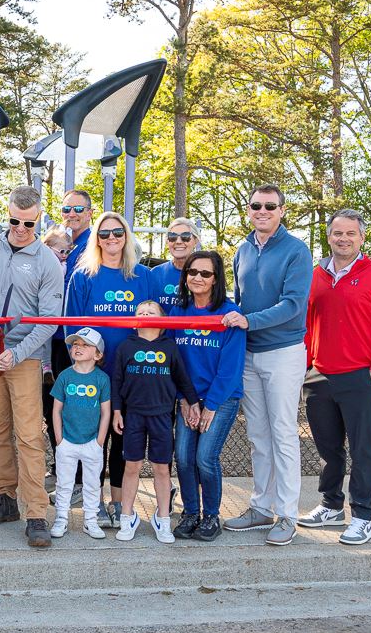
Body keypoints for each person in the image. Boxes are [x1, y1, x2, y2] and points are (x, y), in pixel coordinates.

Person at [0, 185, 64, 548]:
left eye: (28, 222)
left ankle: (37, 512)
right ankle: (5, 499)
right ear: (5, 215)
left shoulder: (47, 260)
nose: (20, 228)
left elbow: (50, 320)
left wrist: (18, 354)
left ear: (39, 219)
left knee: (29, 436)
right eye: (13, 220)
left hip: (24, 358)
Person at [297, 209, 371, 546]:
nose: (343, 239)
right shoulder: (315, 274)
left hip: (360, 376)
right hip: (319, 376)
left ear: (362, 238)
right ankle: (331, 505)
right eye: (338, 233)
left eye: (350, 234)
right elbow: (306, 324)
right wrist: (308, 366)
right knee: (328, 448)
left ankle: (362, 516)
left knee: (363, 449)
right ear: (328, 237)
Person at [221, 184, 312, 547]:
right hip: (249, 354)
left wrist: (249, 322)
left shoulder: (296, 251)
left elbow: (293, 305)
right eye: (256, 205)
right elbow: (240, 302)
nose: (262, 211)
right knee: (258, 435)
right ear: (248, 209)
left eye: (270, 206)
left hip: (284, 352)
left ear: (282, 210)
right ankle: (262, 507)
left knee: (283, 433)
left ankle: (287, 513)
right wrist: (238, 321)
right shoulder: (242, 250)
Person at [64, 211, 154, 527]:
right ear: (96, 239)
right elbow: (70, 326)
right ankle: (95, 503)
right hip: (96, 374)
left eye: (117, 233)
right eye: (104, 234)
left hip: (133, 373)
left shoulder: (144, 277)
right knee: (94, 441)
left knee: (123, 439)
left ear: (126, 236)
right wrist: (85, 361)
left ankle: (118, 504)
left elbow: (156, 327)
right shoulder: (83, 276)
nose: (111, 238)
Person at [169, 251, 246, 542]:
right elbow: (175, 362)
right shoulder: (179, 312)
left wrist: (210, 406)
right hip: (188, 397)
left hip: (220, 399)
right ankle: (191, 512)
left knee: (205, 457)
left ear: (216, 279)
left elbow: (230, 368)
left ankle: (211, 514)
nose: (197, 278)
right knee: (184, 457)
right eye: (192, 272)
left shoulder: (228, 314)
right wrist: (186, 400)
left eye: (205, 273)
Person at [110, 300, 199, 543]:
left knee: (161, 468)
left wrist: (193, 403)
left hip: (161, 416)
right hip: (133, 416)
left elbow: (182, 379)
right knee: (132, 466)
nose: (146, 314)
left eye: (151, 312)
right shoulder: (125, 347)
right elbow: (116, 382)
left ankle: (163, 518)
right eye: (141, 312)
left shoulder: (169, 347)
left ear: (162, 321)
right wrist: (117, 411)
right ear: (134, 320)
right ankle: (128, 517)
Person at [43, 190, 95, 495]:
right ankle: (62, 465)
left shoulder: (94, 245)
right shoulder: (54, 244)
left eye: (78, 208)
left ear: (89, 212)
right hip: (54, 338)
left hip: (82, 338)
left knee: (82, 405)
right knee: (55, 404)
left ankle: (81, 479)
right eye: (66, 208)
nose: (71, 213)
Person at [50, 327, 111, 540]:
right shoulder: (65, 376)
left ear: (98, 354)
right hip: (67, 441)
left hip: (92, 442)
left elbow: (106, 412)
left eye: (85, 345)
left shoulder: (102, 379)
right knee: (64, 483)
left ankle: (90, 521)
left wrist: (99, 441)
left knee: (92, 484)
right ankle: (61, 519)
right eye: (75, 344)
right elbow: (56, 409)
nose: (78, 347)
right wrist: (59, 439)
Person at [40, 228, 74, 379]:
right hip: (43, 306)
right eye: (61, 251)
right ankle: (45, 365)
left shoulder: (62, 264)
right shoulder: (44, 261)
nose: (64, 256)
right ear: (47, 248)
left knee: (47, 333)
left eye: (67, 252)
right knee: (44, 334)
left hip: (54, 307)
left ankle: (46, 366)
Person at [149, 217, 201, 313]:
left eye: (185, 237)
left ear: (196, 241)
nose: (178, 241)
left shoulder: (206, 274)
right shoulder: (155, 274)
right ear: (167, 241)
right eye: (172, 237)